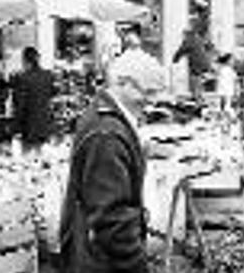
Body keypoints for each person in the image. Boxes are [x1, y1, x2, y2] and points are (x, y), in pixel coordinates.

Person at [58, 48, 166, 272]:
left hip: (93, 252)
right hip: (99, 261)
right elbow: (112, 218)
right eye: (148, 92)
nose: (153, 101)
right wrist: (136, 265)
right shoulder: (106, 134)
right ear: (123, 83)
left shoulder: (107, 119)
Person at [9, 47, 58, 147]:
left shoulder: (23, 78)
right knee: (42, 157)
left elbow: (20, 106)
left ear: (25, 60)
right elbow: (53, 94)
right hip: (45, 125)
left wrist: (15, 128)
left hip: (29, 128)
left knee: (28, 159)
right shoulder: (48, 76)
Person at [171, 24, 212, 101]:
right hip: (204, 62)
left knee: (194, 77)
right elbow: (208, 47)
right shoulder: (198, 38)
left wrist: (175, 59)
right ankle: (199, 95)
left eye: (184, 34)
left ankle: (196, 96)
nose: (183, 36)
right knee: (198, 78)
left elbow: (182, 50)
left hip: (197, 62)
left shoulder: (189, 40)